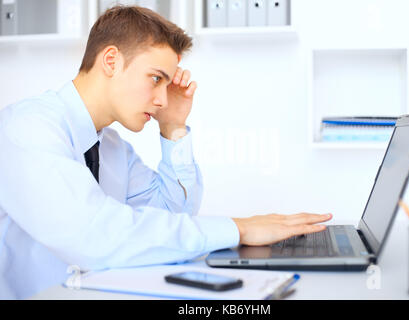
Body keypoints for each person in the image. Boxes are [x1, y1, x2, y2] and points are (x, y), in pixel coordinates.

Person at [0, 6, 332, 299]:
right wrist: (240, 228)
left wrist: (173, 128)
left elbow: (173, 214)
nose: (162, 99)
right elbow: (95, 237)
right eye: (156, 79)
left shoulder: (113, 147)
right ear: (111, 61)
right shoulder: (27, 129)